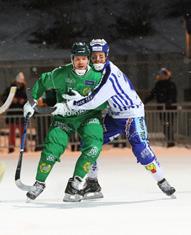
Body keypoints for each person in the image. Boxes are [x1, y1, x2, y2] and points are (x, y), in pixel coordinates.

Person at [60, 39, 176, 199]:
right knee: (90, 142)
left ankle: (162, 180)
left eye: (101, 56)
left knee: (141, 149)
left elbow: (94, 100)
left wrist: (72, 105)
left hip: (132, 115)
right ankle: (93, 183)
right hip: (114, 116)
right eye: (94, 57)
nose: (97, 60)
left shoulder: (109, 74)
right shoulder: (95, 72)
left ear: (107, 55)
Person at [23, 42, 106, 202]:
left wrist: (85, 102)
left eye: (83, 58)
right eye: (77, 59)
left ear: (88, 59)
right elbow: (42, 81)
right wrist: (31, 103)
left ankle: (75, 183)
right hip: (64, 119)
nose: (80, 62)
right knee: (52, 149)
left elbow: (106, 100)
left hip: (89, 118)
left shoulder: (97, 76)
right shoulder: (61, 74)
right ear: (72, 59)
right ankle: (39, 183)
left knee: (94, 147)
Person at [144, 68, 177, 147]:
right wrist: (144, 101)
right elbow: (152, 95)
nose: (161, 76)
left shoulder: (171, 84)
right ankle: (170, 140)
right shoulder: (158, 84)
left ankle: (171, 141)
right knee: (165, 125)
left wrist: (169, 101)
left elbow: (173, 95)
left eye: (163, 75)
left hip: (170, 109)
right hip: (161, 109)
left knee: (169, 124)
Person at [2, 72, 27, 153]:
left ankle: (24, 147)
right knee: (12, 132)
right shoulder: (10, 89)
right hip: (12, 115)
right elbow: (3, 97)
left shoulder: (24, 90)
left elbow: (28, 100)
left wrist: (23, 101)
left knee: (22, 131)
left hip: (21, 115)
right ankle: (11, 147)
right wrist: (11, 100)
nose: (19, 84)